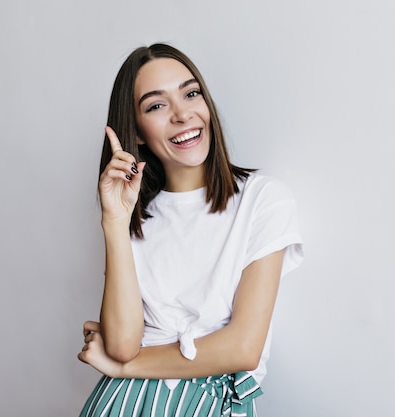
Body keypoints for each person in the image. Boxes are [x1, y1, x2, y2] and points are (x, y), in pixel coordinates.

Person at [77, 43, 304, 417]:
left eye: (191, 93)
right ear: (135, 133)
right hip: (120, 403)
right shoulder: (135, 219)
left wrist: (123, 367)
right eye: (156, 105)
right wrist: (115, 222)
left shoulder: (261, 199)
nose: (183, 114)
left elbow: (243, 348)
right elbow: (120, 343)